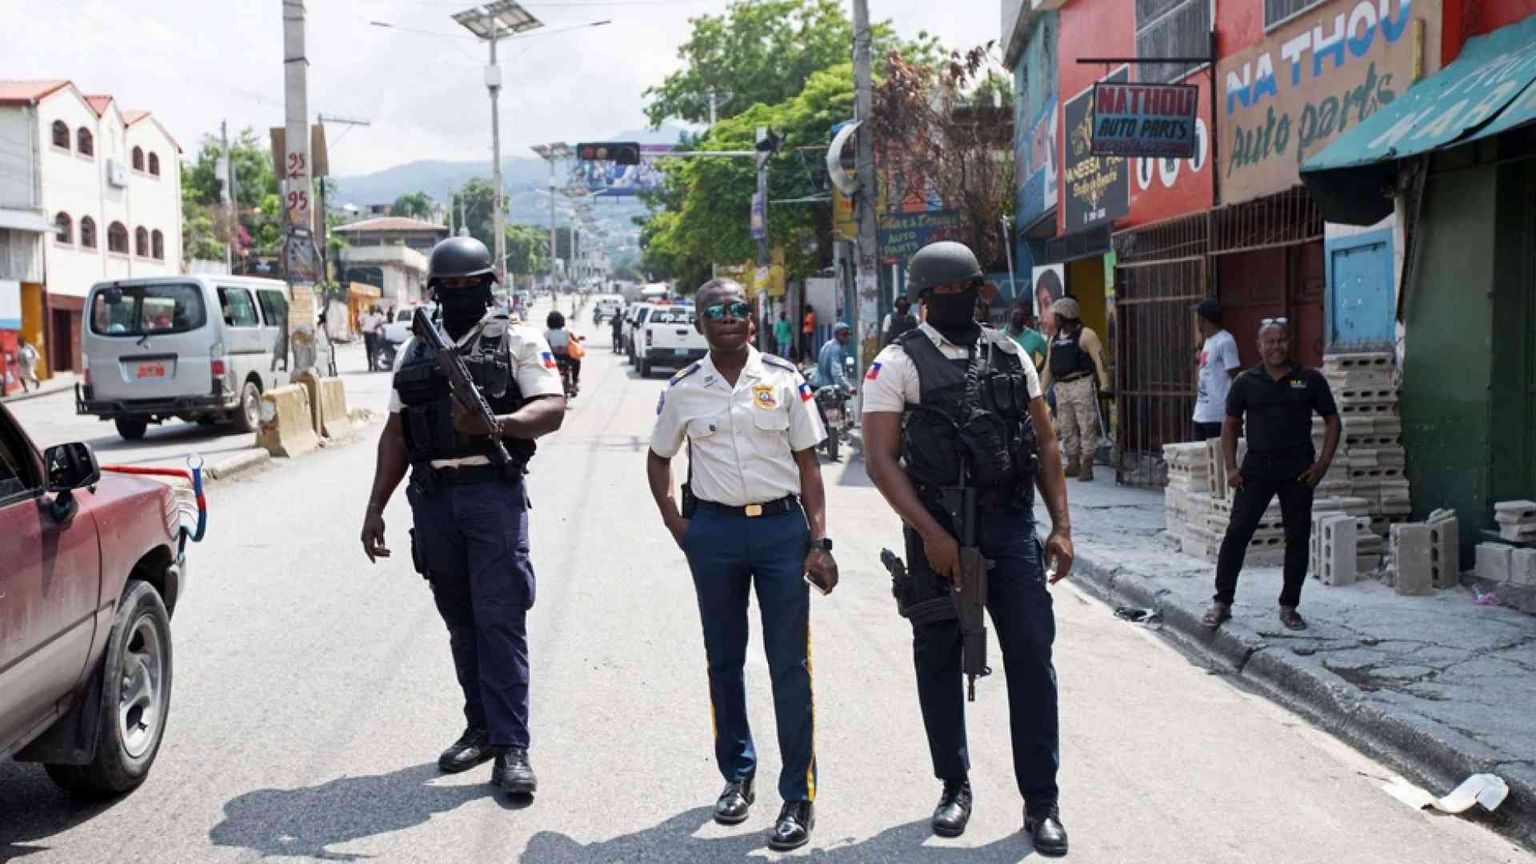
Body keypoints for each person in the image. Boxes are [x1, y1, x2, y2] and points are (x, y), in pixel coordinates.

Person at [861, 241, 1075, 857]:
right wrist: (932, 534)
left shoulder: (1010, 354)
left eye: (969, 291)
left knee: (1032, 654)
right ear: (925, 299)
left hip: (1009, 524)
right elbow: (879, 459)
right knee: (938, 655)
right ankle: (953, 786)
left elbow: (1046, 443)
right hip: (936, 522)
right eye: (948, 294)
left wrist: (1060, 526)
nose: (961, 302)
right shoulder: (896, 362)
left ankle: (1043, 802)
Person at [358, 236, 566, 798]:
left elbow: (552, 408)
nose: (458, 293)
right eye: (448, 286)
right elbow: (397, 432)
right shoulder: (415, 350)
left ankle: (513, 745)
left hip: (490, 493)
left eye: (468, 284)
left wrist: (497, 426)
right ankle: (481, 727)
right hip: (433, 499)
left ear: (488, 286)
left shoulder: (516, 338)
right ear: (434, 291)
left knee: (500, 618)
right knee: (460, 619)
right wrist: (375, 506)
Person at [646, 278, 836, 852]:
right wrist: (681, 528)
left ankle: (796, 796)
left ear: (751, 320)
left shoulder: (783, 379)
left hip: (782, 532)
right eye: (715, 311)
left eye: (737, 309)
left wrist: (819, 542)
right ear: (700, 322)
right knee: (724, 662)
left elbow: (810, 470)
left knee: (788, 666)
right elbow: (658, 461)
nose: (728, 317)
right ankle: (737, 776)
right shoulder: (683, 390)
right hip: (717, 536)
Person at [1203, 319, 1340, 632]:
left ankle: (1289, 606)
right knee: (1237, 532)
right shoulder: (1246, 382)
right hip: (1256, 470)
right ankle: (1222, 601)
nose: (1276, 346)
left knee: (1297, 537)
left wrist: (1322, 465)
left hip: (1299, 472)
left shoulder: (1308, 380)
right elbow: (1229, 425)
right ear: (1258, 345)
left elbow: (1333, 420)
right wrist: (1231, 468)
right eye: (1270, 341)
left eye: (1281, 340)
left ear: (1289, 342)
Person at [1041, 297, 1110, 482]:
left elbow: (1100, 359)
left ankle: (1087, 463)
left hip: (1081, 383)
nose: (1054, 318)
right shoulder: (1054, 339)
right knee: (1066, 426)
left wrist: (1105, 384)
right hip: (1061, 386)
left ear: (1065, 315)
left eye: (1056, 315)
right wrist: (1040, 390)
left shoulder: (1086, 335)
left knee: (1086, 424)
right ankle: (1073, 462)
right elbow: (1048, 366)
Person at [1192, 299, 1240, 441]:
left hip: (1217, 415)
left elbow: (1235, 374)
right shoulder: (1208, 340)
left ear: (1202, 319)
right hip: (1201, 412)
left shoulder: (1225, 341)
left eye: (1197, 317)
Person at [1004, 302, 1049, 375]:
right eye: (1016, 314)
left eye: (1022, 315)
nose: (1019, 317)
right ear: (1010, 315)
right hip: (1006, 382)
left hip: (1028, 382)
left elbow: (1048, 355)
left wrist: (1037, 370)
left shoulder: (1035, 337)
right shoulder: (1000, 336)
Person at [544, 310, 583, 394]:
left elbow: (543, 344)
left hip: (552, 358)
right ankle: (575, 382)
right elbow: (575, 340)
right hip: (567, 357)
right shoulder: (567, 331)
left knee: (544, 363)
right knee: (577, 361)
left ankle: (546, 383)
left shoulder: (547, 333)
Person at [814, 322, 851, 390]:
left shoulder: (827, 344)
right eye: (845, 334)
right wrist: (848, 387)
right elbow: (837, 373)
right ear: (836, 334)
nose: (848, 337)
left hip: (818, 383)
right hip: (828, 388)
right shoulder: (836, 349)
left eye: (849, 334)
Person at [360, 306, 382, 372]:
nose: (372, 310)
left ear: (375, 310)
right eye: (371, 309)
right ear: (369, 310)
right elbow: (360, 321)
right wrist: (361, 327)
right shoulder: (365, 316)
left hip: (374, 334)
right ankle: (370, 366)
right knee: (368, 351)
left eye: (373, 309)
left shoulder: (378, 316)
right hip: (367, 334)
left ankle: (376, 366)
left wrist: (378, 325)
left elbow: (381, 322)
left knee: (375, 351)